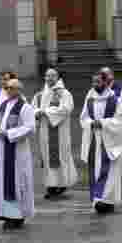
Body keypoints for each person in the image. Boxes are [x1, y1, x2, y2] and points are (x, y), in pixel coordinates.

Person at [80, 68, 122, 214]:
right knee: (95, 169)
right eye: (93, 81)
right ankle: (99, 200)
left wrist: (103, 123)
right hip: (94, 140)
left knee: (108, 172)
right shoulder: (89, 98)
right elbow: (83, 118)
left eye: (98, 81)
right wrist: (91, 123)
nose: (95, 84)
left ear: (104, 82)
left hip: (110, 141)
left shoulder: (114, 99)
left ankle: (106, 200)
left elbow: (121, 120)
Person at [0, 78, 36, 231]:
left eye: (11, 88)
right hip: (4, 150)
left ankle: (18, 216)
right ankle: (9, 214)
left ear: (18, 90)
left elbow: (30, 127)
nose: (8, 90)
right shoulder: (2, 106)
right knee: (5, 182)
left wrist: (9, 133)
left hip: (18, 153)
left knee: (18, 182)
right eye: (7, 88)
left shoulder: (25, 107)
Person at [31, 68, 78, 200]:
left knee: (61, 156)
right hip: (45, 133)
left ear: (57, 77)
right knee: (47, 158)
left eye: (52, 75)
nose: (49, 78)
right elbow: (32, 109)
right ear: (44, 78)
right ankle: (50, 185)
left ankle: (62, 184)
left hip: (60, 133)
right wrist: (37, 113)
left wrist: (46, 112)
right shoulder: (39, 95)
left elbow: (66, 109)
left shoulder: (63, 93)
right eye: (47, 75)